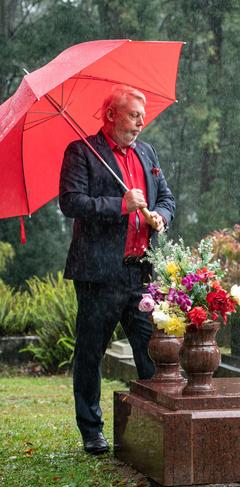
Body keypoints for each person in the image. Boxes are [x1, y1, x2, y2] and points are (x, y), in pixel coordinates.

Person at [59, 85, 175, 455]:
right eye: (133, 115)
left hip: (140, 274)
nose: (141, 122)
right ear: (109, 115)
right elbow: (71, 203)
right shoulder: (82, 152)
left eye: (142, 116)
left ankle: (158, 422)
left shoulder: (147, 152)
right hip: (98, 274)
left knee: (154, 350)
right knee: (91, 352)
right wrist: (120, 204)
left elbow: (167, 197)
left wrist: (161, 216)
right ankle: (92, 430)